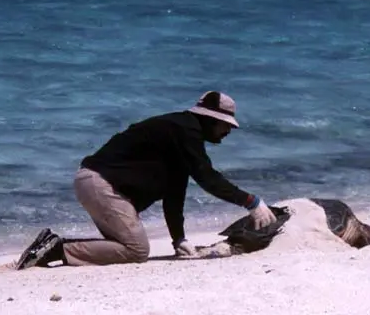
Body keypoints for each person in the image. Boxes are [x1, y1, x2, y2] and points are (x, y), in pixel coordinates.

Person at [15, 90, 277, 269]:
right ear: (211, 119)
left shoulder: (179, 134)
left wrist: (179, 240)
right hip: (101, 184)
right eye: (226, 124)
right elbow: (207, 178)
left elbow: (175, 194)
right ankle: (57, 249)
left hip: (96, 183)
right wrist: (251, 202)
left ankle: (52, 246)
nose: (228, 130)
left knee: (121, 247)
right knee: (136, 251)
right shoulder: (186, 131)